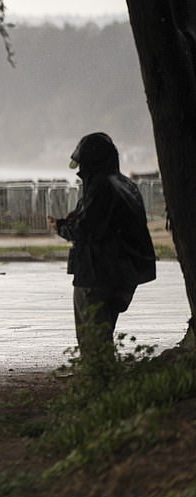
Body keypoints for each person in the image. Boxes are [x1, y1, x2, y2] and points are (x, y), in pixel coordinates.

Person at [49, 132, 157, 357]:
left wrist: (60, 226)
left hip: (95, 273)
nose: (79, 172)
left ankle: (99, 384)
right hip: (122, 274)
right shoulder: (126, 185)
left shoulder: (100, 187)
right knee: (104, 332)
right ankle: (103, 382)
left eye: (82, 165)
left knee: (93, 339)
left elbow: (85, 229)